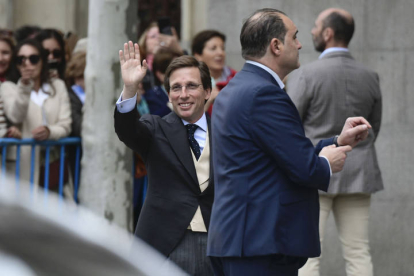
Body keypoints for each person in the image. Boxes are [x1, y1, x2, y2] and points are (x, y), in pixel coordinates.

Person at [207, 8, 372, 276]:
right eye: (294, 37)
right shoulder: (263, 93)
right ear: (276, 46)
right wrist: (326, 165)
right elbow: (304, 167)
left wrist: (336, 141)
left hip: (242, 240)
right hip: (259, 244)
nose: (300, 43)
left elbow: (276, 156)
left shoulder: (240, 87)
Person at [286, 8, 383, 276]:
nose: (313, 32)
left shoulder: (306, 75)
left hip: (316, 170)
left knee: (307, 254)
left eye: (317, 27)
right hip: (359, 171)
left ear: (328, 33)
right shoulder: (370, 75)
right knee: (358, 251)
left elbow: (290, 126)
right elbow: (374, 127)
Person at [115, 42, 214, 275]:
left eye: (191, 86)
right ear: (168, 94)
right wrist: (130, 89)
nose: (183, 94)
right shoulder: (155, 128)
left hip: (219, 243)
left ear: (207, 91)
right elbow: (127, 130)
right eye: (176, 88)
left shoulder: (227, 132)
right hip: (168, 245)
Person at [0, 39, 71, 187]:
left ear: (43, 61)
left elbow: (66, 125)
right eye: (21, 60)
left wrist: (49, 131)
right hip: (23, 167)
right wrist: (25, 86)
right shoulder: (8, 87)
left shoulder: (57, 86)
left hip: (53, 163)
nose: (27, 64)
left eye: (33, 59)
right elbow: (15, 115)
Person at [192, 30, 236, 115]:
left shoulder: (237, 79)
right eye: (213, 48)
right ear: (198, 56)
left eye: (222, 48)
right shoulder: (191, 84)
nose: (220, 53)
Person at [144, 48, 181, 117]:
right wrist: (171, 106)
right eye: (175, 70)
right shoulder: (152, 96)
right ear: (160, 75)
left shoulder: (190, 89)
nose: (181, 73)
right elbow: (153, 121)